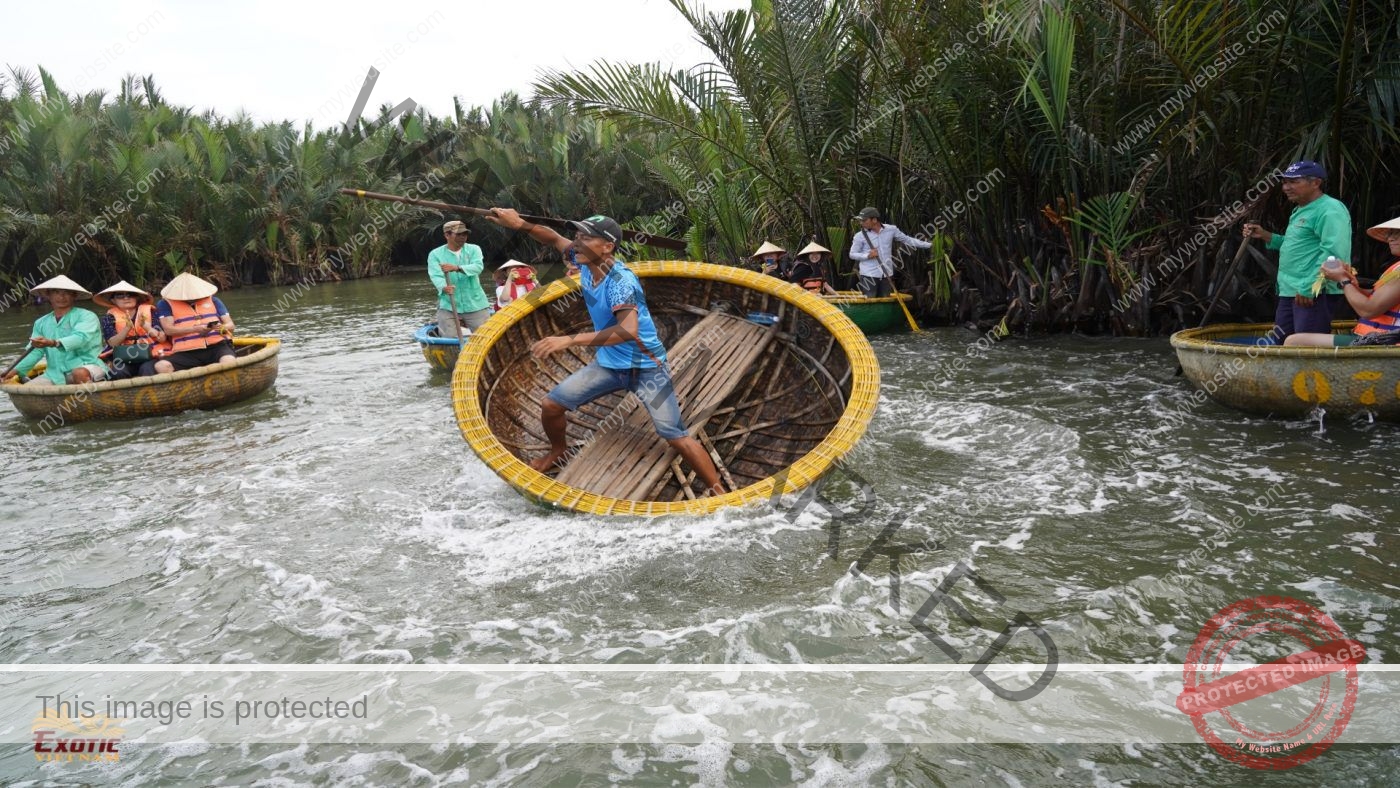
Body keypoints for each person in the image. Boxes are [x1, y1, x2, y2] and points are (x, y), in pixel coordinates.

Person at [483, 208, 725, 495]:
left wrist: (569, 340)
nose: (577, 243)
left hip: (646, 368)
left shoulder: (620, 283)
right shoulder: (584, 260)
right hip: (609, 366)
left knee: (674, 435)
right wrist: (519, 223)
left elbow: (627, 330)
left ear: (607, 247)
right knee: (551, 406)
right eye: (578, 236)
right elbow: (553, 239)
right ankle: (558, 451)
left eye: (586, 238)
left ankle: (720, 491)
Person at [1243, 160, 1352, 342]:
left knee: (1306, 349)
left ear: (1316, 183)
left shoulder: (1330, 210)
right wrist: (1266, 236)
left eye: (1294, 182)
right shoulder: (1300, 210)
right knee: (1284, 344)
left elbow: (1334, 254)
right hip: (1290, 290)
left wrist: (1311, 286)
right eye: (1285, 182)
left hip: (1314, 292)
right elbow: (1298, 246)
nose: (1286, 187)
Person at [1284, 217, 1400, 347]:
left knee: (1294, 341)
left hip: (1384, 342)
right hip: (1372, 338)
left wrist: (1343, 280)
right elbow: (1377, 296)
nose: (1390, 238)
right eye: (1391, 233)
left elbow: (1368, 311)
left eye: (1398, 234)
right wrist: (1352, 283)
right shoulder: (1396, 267)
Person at [2, 275, 105, 386]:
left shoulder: (87, 316)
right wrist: (11, 372)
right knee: (29, 389)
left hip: (88, 365)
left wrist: (53, 343)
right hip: (54, 374)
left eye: (67, 292)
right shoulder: (41, 323)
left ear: (74, 295)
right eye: (56, 292)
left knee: (79, 373)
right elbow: (35, 352)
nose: (61, 296)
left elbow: (80, 338)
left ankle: (86, 400)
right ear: (48, 295)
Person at [151, 272, 236, 373]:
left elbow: (230, 325)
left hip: (217, 347)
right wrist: (195, 329)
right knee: (162, 366)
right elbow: (169, 330)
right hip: (186, 352)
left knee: (228, 361)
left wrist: (220, 327)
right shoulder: (165, 304)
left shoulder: (214, 300)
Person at [849, 206, 932, 297]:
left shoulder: (891, 230)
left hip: (886, 274)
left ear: (874, 220)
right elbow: (852, 254)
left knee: (885, 301)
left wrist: (929, 245)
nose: (861, 223)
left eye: (864, 220)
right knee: (870, 302)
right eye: (861, 220)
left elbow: (907, 240)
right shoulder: (859, 236)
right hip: (869, 275)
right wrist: (867, 255)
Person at [428, 219, 490, 338]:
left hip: (475, 303)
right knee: (449, 338)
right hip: (449, 304)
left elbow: (478, 267)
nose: (463, 237)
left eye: (465, 234)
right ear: (447, 235)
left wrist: (457, 268)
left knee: (485, 338)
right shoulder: (435, 254)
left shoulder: (474, 249)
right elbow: (436, 275)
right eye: (458, 234)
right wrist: (444, 287)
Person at [95, 280, 166, 379]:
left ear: (137, 298)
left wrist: (147, 327)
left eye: (130, 295)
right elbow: (112, 343)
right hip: (124, 357)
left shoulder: (151, 311)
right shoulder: (109, 317)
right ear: (113, 300)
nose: (126, 298)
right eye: (120, 295)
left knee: (147, 369)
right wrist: (127, 329)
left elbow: (162, 338)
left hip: (150, 354)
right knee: (118, 372)